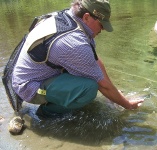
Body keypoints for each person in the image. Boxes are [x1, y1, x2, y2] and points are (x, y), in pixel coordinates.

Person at [11, 0, 144, 118]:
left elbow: (95, 61)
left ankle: (57, 97)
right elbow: (102, 84)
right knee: (89, 88)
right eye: (101, 24)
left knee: (91, 79)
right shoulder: (75, 43)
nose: (103, 29)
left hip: (36, 73)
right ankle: (47, 113)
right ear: (87, 17)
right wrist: (127, 105)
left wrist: (114, 94)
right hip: (29, 87)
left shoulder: (68, 18)